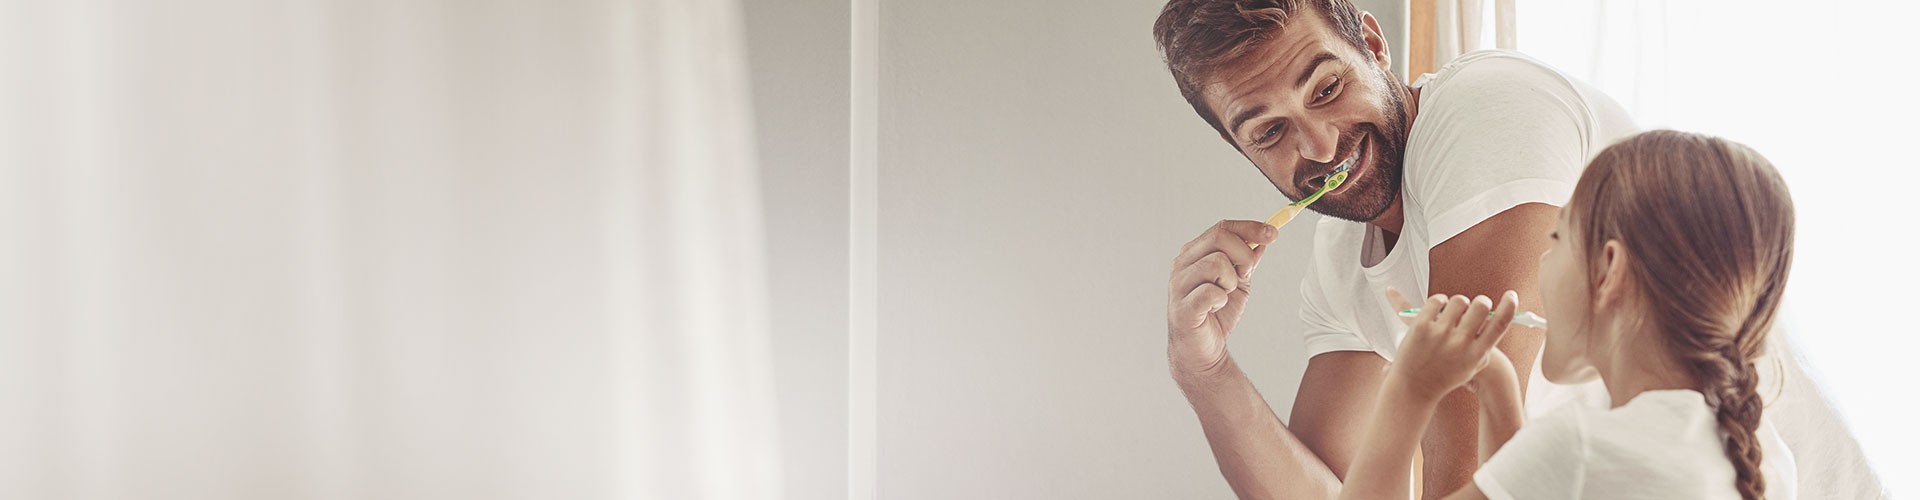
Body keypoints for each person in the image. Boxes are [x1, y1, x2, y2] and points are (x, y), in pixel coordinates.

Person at [1156, 1, 1633, 496]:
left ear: (1374, 46)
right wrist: (1203, 369)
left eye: (1326, 89)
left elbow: (1466, 475)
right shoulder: (1341, 254)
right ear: (1241, 147)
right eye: (1271, 132)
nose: (1321, 147)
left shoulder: (1485, 113)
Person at [1338, 130, 1799, 500]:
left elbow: (1559, 470)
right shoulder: (1761, 456)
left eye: (1557, 238)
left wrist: (1409, 390)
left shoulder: (1581, 447)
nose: (1543, 259)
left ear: (1609, 270)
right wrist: (1497, 384)